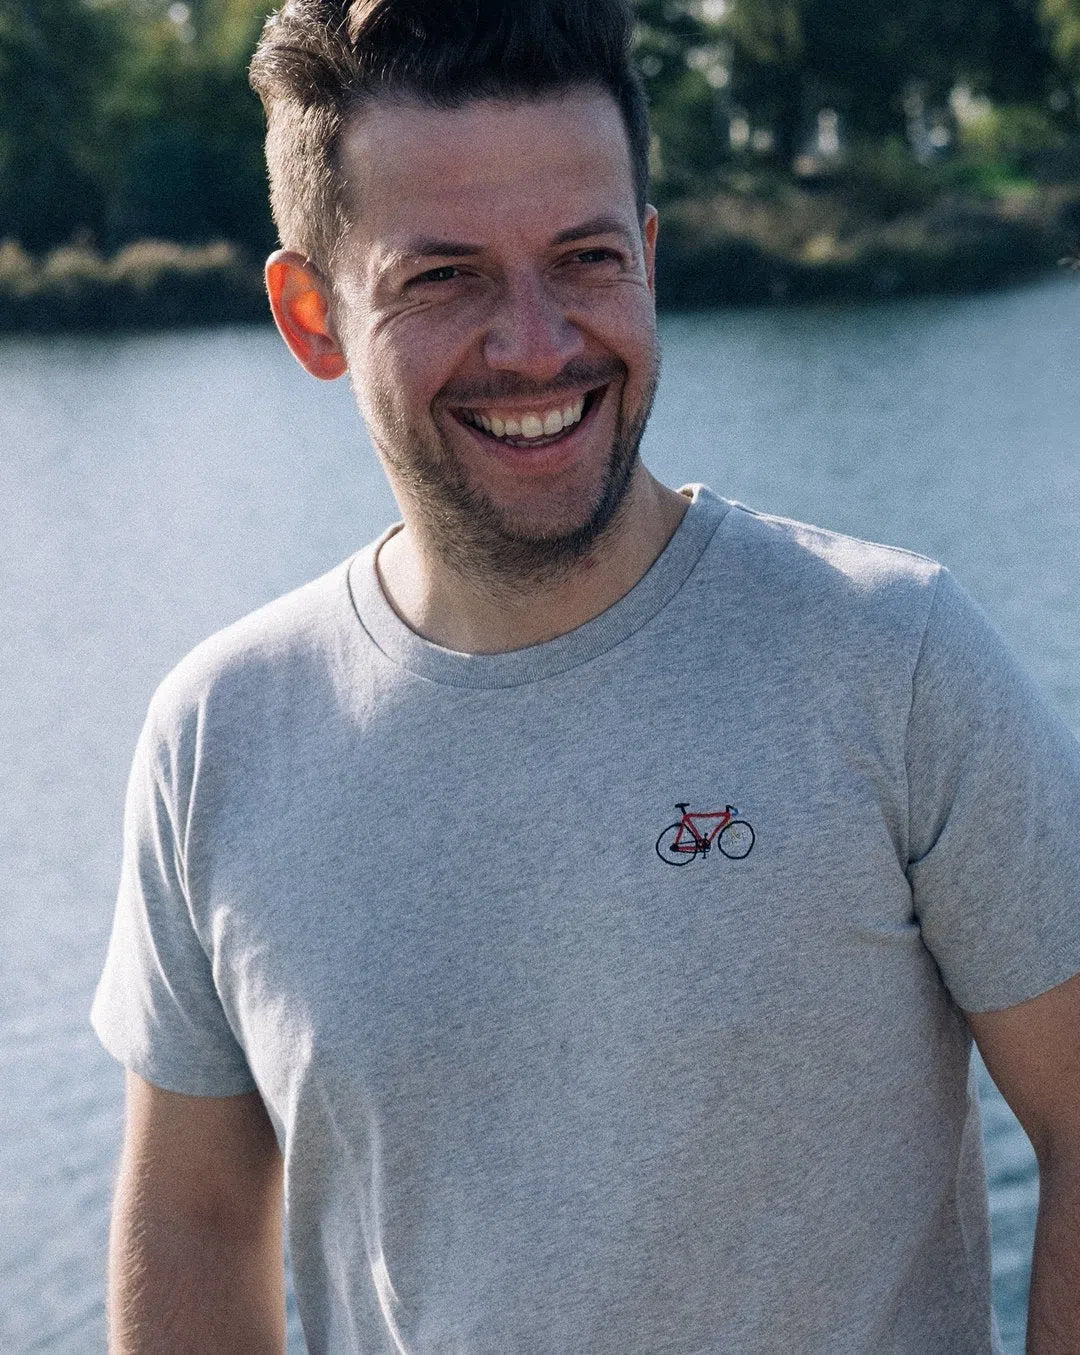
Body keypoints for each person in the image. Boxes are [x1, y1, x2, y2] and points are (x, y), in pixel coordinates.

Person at [91, 1, 1080, 1351]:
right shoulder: (217, 737)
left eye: (586, 259)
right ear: (313, 316)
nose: (538, 344)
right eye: (444, 278)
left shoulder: (893, 661)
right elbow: (195, 1227)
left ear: (648, 263)